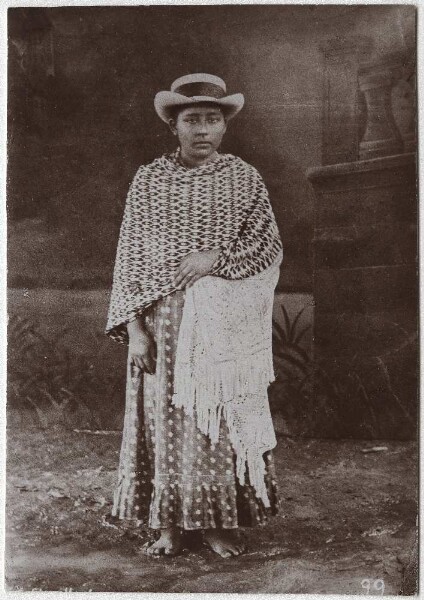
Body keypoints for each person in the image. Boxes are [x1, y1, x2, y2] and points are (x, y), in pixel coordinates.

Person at [106, 73, 283, 558]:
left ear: (224, 127)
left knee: (214, 419)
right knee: (163, 416)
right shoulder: (149, 181)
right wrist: (135, 329)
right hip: (163, 322)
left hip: (221, 323)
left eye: (212, 120)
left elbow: (266, 247)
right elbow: (130, 257)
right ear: (173, 126)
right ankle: (167, 525)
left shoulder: (245, 179)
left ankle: (215, 524)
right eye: (192, 120)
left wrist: (215, 260)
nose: (202, 130)